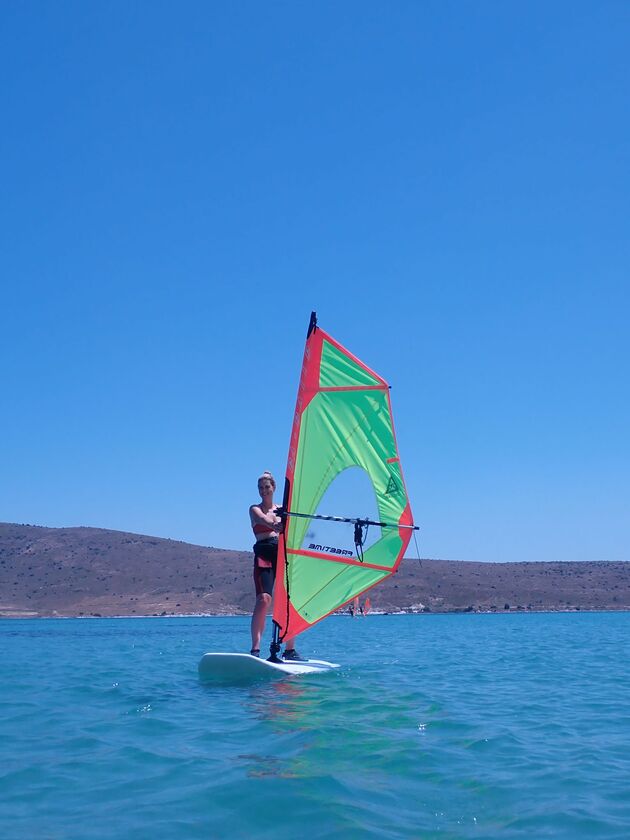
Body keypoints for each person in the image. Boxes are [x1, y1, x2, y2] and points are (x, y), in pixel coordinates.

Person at [249, 471, 304, 660]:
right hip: (264, 553)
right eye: (260, 488)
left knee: (288, 599)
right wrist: (276, 525)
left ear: (274, 488)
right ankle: (255, 649)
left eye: (267, 487)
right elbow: (264, 520)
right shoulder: (254, 509)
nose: (263, 491)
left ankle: (289, 649)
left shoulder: (283, 508)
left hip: (282, 553)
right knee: (264, 599)